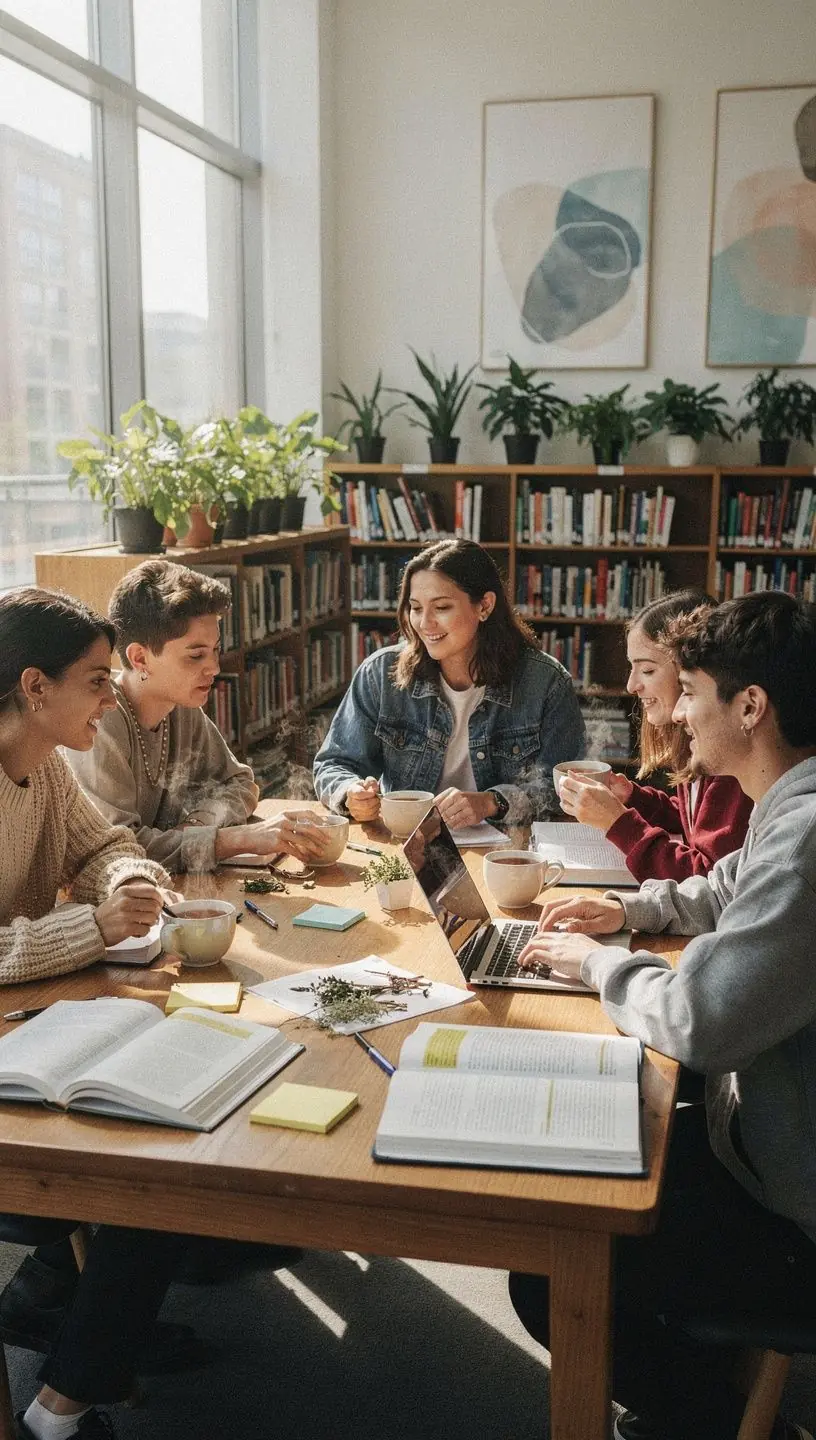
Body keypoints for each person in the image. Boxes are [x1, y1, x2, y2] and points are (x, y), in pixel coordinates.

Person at [511, 591, 816, 1440]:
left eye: (691, 692)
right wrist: (630, 912)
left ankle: (712, 1421)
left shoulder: (808, 831)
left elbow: (702, 1020)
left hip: (797, 1208)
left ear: (750, 706)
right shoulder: (794, 798)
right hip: (763, 1145)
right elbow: (721, 890)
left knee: (551, 1270)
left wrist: (597, 963)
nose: (675, 712)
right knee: (609, 1154)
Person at [0, 586, 194, 1440]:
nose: (112, 698)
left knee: (165, 1138)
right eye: (95, 681)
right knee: (150, 1175)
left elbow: (107, 845)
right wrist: (88, 925)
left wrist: (131, 883)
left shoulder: (44, 767)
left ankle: (66, 1386)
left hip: (31, 1033)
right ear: (34, 687)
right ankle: (65, 1397)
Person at [66, 560, 328, 871]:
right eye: (196, 655)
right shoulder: (99, 718)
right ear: (140, 658)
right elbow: (122, 851)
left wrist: (197, 825)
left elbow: (241, 782)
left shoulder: (181, 708)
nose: (215, 668)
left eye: (216, 649)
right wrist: (235, 839)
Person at [313, 538, 585, 827]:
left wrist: (491, 802)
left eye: (441, 607)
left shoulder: (545, 682)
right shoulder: (380, 674)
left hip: (506, 848)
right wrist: (350, 794)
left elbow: (563, 789)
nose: (425, 623)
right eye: (415, 608)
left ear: (485, 606)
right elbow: (334, 763)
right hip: (407, 842)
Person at [559, 590, 752, 880]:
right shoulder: (692, 743)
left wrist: (619, 823)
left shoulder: (728, 761)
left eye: (647, 670)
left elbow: (707, 884)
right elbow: (696, 820)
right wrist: (633, 798)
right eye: (631, 667)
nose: (630, 685)